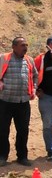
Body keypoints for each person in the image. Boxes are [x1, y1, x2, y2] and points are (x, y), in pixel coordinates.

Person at [0, 37, 38, 167]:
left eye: (26, 45)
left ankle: (22, 157)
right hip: (5, 101)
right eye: (22, 45)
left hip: (23, 102)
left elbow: (35, 76)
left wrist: (34, 88)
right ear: (14, 47)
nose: (25, 48)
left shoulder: (29, 60)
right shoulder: (3, 58)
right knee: (3, 130)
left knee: (23, 130)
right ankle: (2, 156)